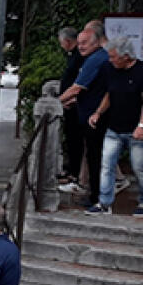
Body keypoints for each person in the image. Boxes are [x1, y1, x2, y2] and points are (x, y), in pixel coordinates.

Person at [86, 36, 143, 218]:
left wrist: (142, 125)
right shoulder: (111, 70)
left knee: (139, 166)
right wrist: (98, 112)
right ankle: (104, 202)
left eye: (113, 57)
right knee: (106, 165)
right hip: (114, 127)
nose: (110, 60)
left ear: (126, 57)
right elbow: (110, 93)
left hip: (135, 128)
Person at [58, 29, 111, 210]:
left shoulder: (96, 60)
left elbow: (77, 87)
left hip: (95, 117)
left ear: (96, 42)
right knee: (94, 157)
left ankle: (98, 198)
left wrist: (56, 103)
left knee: (95, 158)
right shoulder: (98, 58)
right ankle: (96, 194)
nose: (80, 46)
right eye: (79, 42)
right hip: (91, 113)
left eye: (85, 43)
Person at [57, 26, 86, 193]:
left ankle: (75, 173)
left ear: (68, 41)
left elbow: (79, 83)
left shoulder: (79, 57)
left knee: (75, 140)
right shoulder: (74, 56)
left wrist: (65, 99)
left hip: (75, 105)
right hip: (69, 104)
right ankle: (72, 170)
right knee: (71, 139)